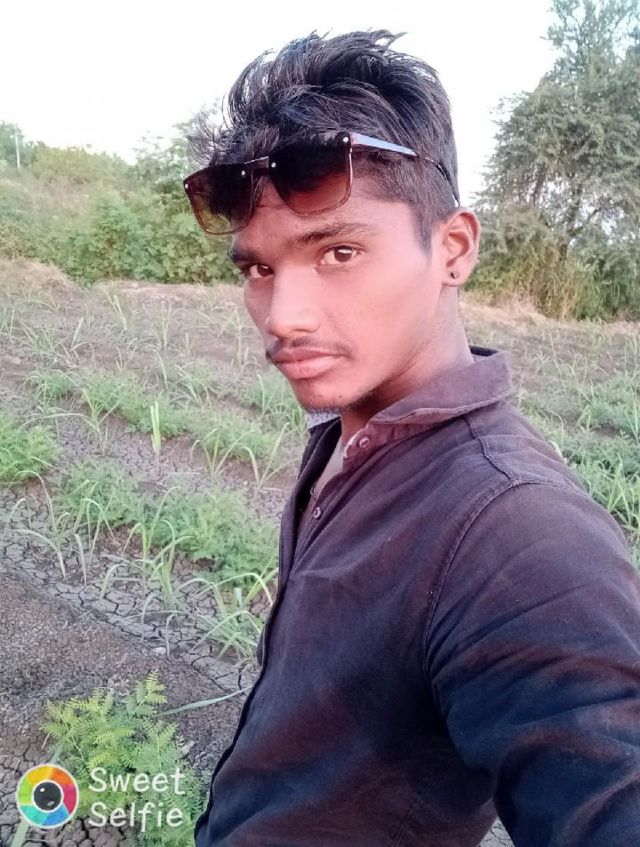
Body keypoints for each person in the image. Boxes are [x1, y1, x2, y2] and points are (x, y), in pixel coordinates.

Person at [183, 29, 640, 847]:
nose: (284, 316)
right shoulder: (346, 427)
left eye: (339, 251)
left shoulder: (517, 529)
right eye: (259, 268)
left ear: (453, 248)